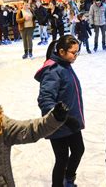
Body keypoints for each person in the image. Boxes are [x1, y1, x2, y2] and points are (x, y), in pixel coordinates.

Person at [35, 35, 85, 187]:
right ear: (62, 51)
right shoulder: (53, 71)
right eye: (73, 53)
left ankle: (68, 180)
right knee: (62, 158)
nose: (76, 56)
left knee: (78, 150)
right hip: (57, 123)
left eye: (77, 52)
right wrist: (65, 117)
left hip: (70, 121)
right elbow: (45, 100)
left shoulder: (65, 65)